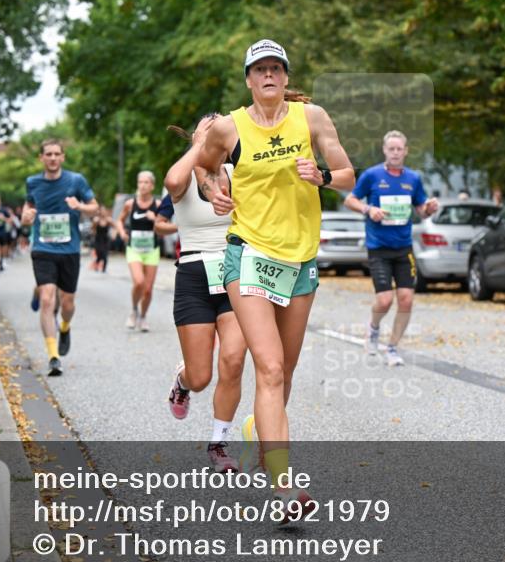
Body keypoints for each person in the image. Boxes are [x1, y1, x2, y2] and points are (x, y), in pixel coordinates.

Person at [194, 39, 355, 517]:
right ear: (248, 79)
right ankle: (284, 491)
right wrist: (214, 191)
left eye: (275, 69)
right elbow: (202, 169)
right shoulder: (229, 127)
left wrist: (322, 176)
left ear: (286, 78)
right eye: (259, 69)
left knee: (283, 375)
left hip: (300, 261)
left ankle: (255, 433)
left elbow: (348, 174)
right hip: (247, 255)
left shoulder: (312, 118)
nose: (268, 76)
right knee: (268, 368)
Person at [163, 114, 245, 473]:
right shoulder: (185, 175)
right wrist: (199, 146)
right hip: (194, 275)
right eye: (206, 125)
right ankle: (182, 381)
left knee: (233, 359)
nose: (214, 128)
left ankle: (218, 442)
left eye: (220, 125)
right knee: (201, 377)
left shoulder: (237, 174)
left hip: (234, 273)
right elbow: (171, 181)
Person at [343, 130, 439, 366]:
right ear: (385, 150)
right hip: (379, 247)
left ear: (405, 151)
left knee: (406, 300)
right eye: (391, 149)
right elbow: (350, 200)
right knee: (385, 300)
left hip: (403, 247)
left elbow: (420, 208)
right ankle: (373, 328)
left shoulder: (413, 179)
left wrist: (429, 208)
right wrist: (369, 210)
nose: (395, 153)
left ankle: (393, 347)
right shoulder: (372, 175)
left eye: (399, 149)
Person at [21, 139, 98, 376]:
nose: (53, 158)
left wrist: (79, 206)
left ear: (63, 157)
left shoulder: (76, 180)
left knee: (67, 303)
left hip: (70, 250)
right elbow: (27, 208)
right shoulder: (33, 182)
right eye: (48, 154)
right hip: (43, 248)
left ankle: (65, 326)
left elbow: (95, 207)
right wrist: (26, 216)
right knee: (47, 299)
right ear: (41, 158)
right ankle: (53, 356)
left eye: (57, 154)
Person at [115, 171, 161, 332]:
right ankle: (134, 310)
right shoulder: (130, 203)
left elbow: (164, 226)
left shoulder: (158, 204)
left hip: (151, 249)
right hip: (134, 248)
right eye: (140, 182)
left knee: (148, 289)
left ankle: (143, 316)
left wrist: (154, 218)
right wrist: (121, 233)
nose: (142, 185)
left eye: (146, 182)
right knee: (139, 282)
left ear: (152, 185)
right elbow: (119, 221)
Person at [90, 205, 113, 273]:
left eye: (104, 210)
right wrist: (94, 226)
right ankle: (96, 266)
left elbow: (116, 226)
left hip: (105, 239)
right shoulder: (96, 220)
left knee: (105, 255)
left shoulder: (108, 220)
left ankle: (104, 269)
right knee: (99, 254)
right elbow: (92, 229)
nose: (103, 212)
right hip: (98, 239)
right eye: (101, 210)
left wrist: (114, 233)